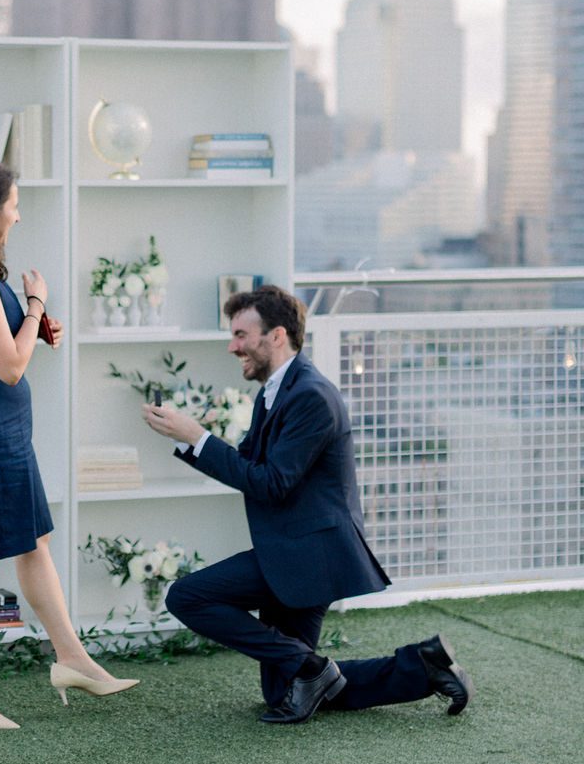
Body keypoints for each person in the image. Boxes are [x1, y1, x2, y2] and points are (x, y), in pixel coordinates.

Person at [141, 285, 474, 725]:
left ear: (277, 336)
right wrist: (191, 437)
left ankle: (315, 669)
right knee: (284, 689)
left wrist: (197, 438)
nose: (232, 345)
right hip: (292, 548)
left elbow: (272, 484)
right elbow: (249, 466)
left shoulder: (310, 395)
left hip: (311, 554)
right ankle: (423, 666)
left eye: (241, 334)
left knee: (187, 597)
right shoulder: (276, 390)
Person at [0, 155, 138, 730]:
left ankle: (72, 658)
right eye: (13, 205)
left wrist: (33, 325)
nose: (18, 217)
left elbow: (0, 344)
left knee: (34, 543)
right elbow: (10, 367)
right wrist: (36, 304)